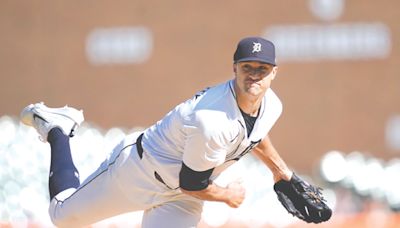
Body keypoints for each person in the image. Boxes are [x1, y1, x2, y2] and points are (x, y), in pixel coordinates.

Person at [21, 37, 294, 227]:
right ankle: (58, 127)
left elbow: (253, 135)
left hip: (181, 197)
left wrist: (281, 172)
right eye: (247, 67)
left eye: (262, 69)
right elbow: (192, 182)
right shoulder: (211, 119)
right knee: (61, 216)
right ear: (234, 68)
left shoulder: (273, 106)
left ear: (274, 73)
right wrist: (227, 195)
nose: (254, 75)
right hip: (138, 173)